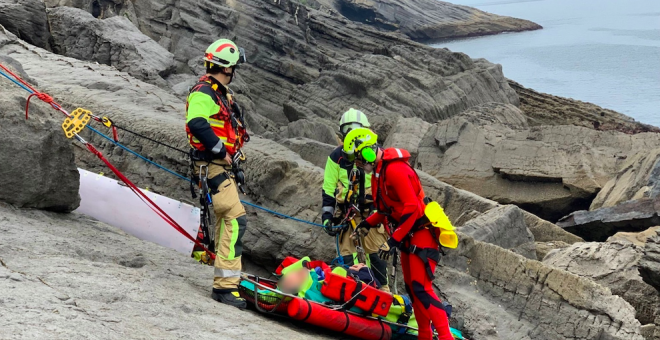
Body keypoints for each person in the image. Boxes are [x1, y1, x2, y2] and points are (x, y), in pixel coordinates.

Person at [345, 128, 454, 340]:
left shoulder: (395, 170)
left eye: (358, 158)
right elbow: (386, 210)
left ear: (367, 152)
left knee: (422, 289)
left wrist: (393, 241)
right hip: (408, 235)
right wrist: (366, 224)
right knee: (414, 291)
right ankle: (425, 336)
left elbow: (412, 207)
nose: (358, 164)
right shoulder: (379, 172)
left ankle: (445, 337)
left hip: (421, 234)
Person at [185, 38, 249, 309]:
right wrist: (221, 150)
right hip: (212, 166)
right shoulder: (204, 92)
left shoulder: (219, 92)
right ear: (227, 68)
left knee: (227, 220)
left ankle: (226, 283)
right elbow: (196, 122)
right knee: (235, 220)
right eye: (233, 67)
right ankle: (224, 287)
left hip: (220, 167)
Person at [321, 108, 390, 291]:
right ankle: (351, 293)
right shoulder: (336, 157)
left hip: (373, 216)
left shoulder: (376, 155)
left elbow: (384, 186)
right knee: (348, 260)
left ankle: (384, 293)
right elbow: (328, 189)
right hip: (348, 218)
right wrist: (327, 217)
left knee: (376, 256)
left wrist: (379, 212)